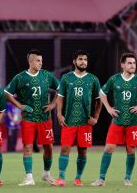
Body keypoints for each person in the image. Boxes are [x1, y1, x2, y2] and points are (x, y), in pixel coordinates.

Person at [91, 53, 137, 187]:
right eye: (129, 63)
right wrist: (109, 108)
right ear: (122, 65)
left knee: (131, 150)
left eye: (134, 63)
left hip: (133, 122)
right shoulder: (114, 79)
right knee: (109, 148)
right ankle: (101, 179)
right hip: (117, 121)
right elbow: (101, 93)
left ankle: (127, 178)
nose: (133, 65)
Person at [5, 49, 59, 186]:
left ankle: (46, 173)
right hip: (28, 118)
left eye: (41, 61)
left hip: (45, 118)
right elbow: (6, 93)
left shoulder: (47, 75)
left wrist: (53, 104)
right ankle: (29, 178)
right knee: (27, 147)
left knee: (49, 147)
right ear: (30, 61)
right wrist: (20, 105)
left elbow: (61, 88)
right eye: (37, 61)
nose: (40, 63)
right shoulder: (20, 77)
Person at [52, 50, 102, 187]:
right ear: (74, 61)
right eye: (80, 59)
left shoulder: (93, 79)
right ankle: (61, 178)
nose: (83, 62)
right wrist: (59, 114)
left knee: (83, 150)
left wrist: (96, 117)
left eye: (85, 59)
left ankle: (78, 178)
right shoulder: (66, 78)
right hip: (69, 121)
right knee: (65, 149)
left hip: (85, 122)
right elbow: (60, 98)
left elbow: (100, 100)